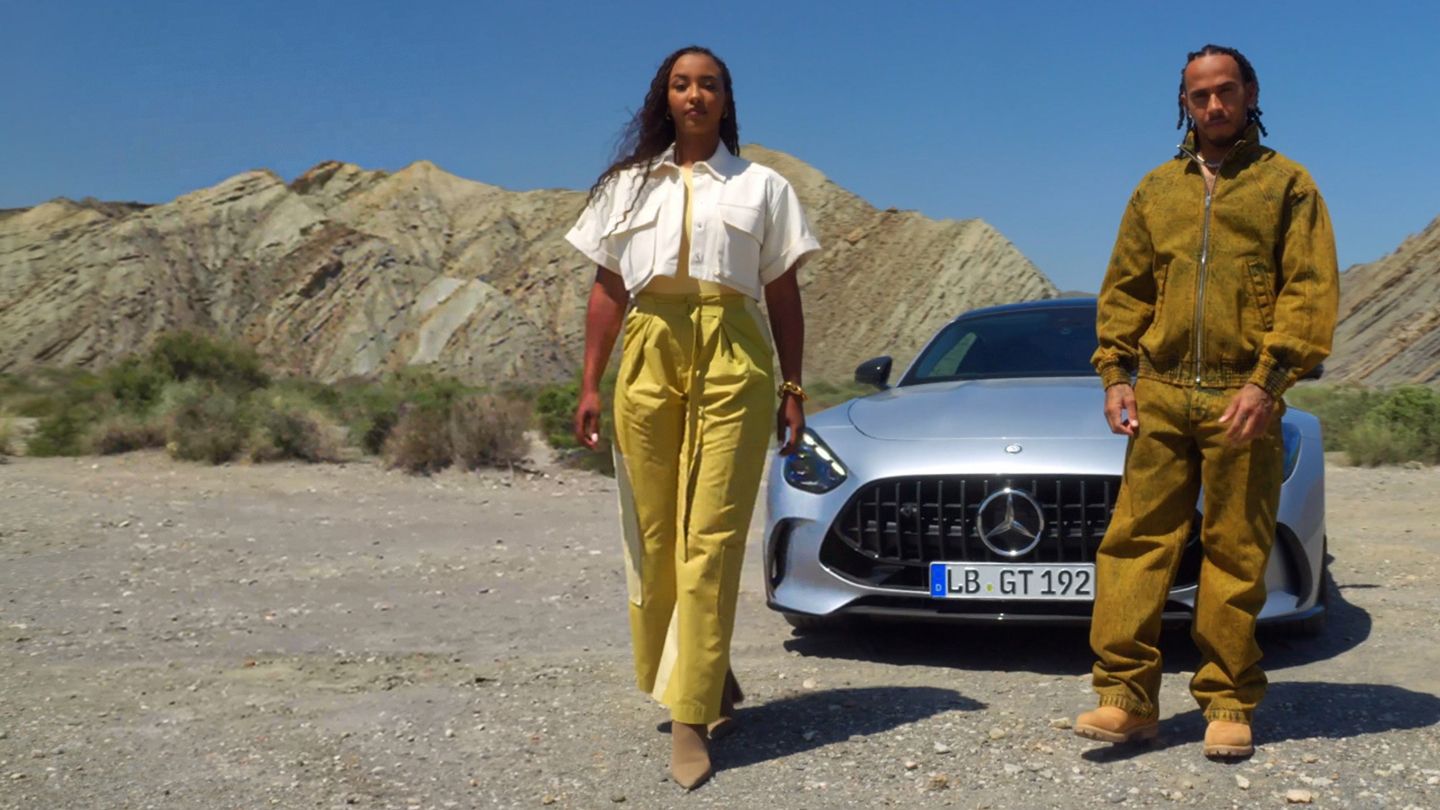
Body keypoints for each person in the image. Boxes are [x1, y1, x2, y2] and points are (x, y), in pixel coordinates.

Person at [565, 45, 819, 789]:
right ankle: (701, 675)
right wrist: (590, 381)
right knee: (653, 533)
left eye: (709, 84)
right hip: (649, 347)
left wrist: (794, 386)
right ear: (664, 98)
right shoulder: (626, 186)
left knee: (710, 534)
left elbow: (782, 295)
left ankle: (689, 718)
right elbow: (608, 288)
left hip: (734, 351)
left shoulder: (762, 186)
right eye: (682, 84)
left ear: (726, 99)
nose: (696, 95)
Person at [1075, 44, 1339, 759]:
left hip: (1241, 396)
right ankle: (1126, 697)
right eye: (1200, 96)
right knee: (1135, 544)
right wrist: (1117, 375)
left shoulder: (1288, 185)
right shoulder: (1155, 191)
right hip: (1159, 394)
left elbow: (1309, 291)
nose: (1215, 106)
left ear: (1251, 93)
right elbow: (1126, 289)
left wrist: (1268, 382)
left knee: (1234, 548)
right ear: (1184, 104)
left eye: (1227, 92)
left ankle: (1227, 697)